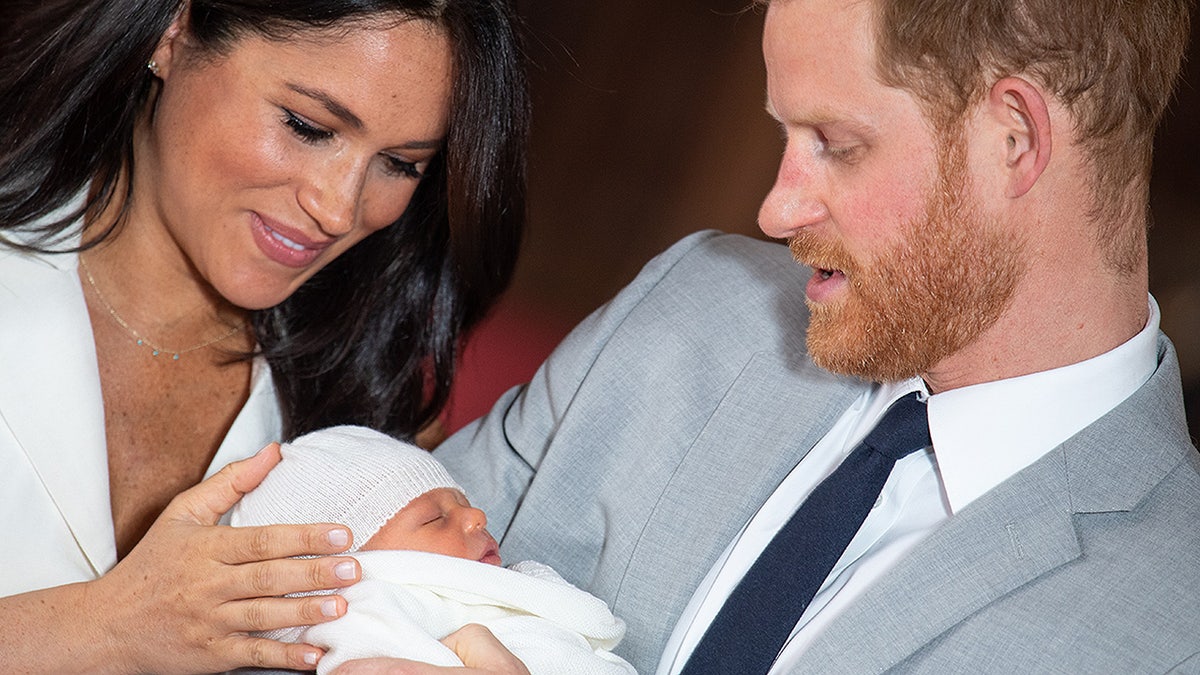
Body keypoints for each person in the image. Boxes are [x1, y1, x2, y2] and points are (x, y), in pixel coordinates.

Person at [432, 0, 1200, 673]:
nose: (776, 211)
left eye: (835, 143)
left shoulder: (1179, 631)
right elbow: (346, 574)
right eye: (786, 136)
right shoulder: (686, 305)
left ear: (1016, 139)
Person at [0, 0, 527, 672]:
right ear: (174, 31)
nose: (337, 208)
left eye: (400, 163)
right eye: (308, 126)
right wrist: (104, 626)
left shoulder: (364, 421)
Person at [229, 425, 637, 675]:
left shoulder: (505, 589)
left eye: (463, 501)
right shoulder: (370, 608)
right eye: (434, 518)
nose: (477, 515)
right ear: (347, 571)